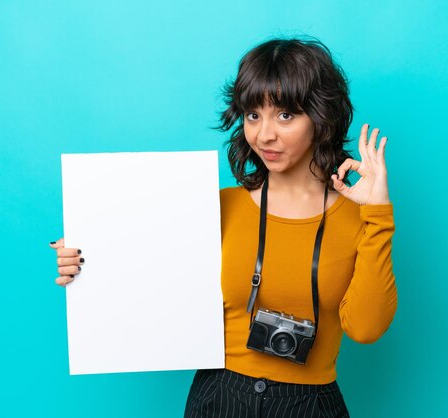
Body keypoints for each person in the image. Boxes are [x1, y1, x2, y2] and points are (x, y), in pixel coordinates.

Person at [50, 36, 397, 418]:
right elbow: (148, 274)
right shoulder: (215, 206)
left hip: (310, 403)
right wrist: (87, 260)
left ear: (320, 117)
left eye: (284, 115)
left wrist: (378, 213)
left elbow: (365, 329)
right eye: (253, 114)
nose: (265, 134)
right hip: (220, 395)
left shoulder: (357, 217)